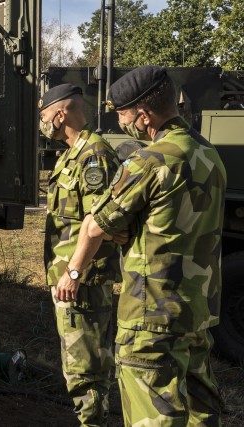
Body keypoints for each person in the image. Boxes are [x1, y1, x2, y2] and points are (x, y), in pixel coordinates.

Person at [58, 65, 225, 426]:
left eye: (122, 113)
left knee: (154, 416)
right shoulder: (210, 154)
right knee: (201, 412)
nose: (120, 121)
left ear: (144, 116)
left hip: (151, 314)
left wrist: (73, 270)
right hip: (197, 310)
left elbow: (95, 224)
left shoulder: (149, 161)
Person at [40, 84, 122, 426]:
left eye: (43, 116)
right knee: (80, 364)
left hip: (82, 281)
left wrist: (73, 272)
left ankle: (93, 422)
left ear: (61, 114)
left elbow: (98, 224)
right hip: (69, 279)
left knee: (85, 370)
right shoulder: (71, 154)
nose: (42, 123)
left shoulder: (94, 155)